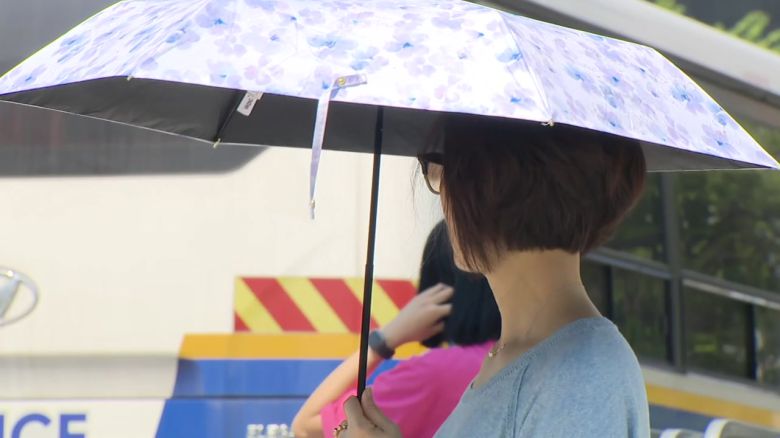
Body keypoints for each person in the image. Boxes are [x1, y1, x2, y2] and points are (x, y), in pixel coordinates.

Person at [339, 115, 651, 437]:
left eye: (442, 168)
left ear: (491, 185)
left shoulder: (582, 370)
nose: (442, 197)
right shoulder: (527, 355)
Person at [291, 220, 501, 438]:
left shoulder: (434, 374)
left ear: (438, 290)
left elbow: (305, 426)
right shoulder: (514, 360)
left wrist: (386, 338)